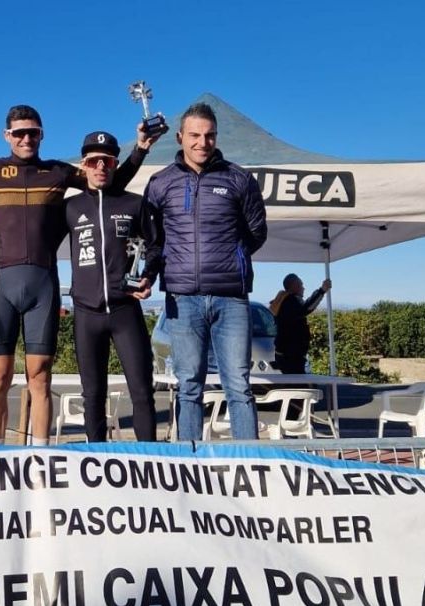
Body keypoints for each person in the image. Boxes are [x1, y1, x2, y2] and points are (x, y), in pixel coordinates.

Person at [0, 105, 160, 445]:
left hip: (44, 283)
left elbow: (106, 182)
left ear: (42, 134)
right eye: (19, 132)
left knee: (40, 376)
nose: (27, 138)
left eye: (34, 132)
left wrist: (140, 150)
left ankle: (41, 454)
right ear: (7, 135)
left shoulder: (58, 171)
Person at [143, 102, 267, 441]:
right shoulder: (160, 183)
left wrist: (232, 258)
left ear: (217, 137)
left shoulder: (239, 179)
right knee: (189, 386)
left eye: (209, 135)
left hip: (231, 298)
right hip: (182, 298)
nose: (202, 142)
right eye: (195, 135)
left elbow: (257, 232)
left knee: (239, 386)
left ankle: (247, 460)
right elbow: (153, 240)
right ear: (180, 137)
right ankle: (189, 461)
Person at [64, 131, 158, 442]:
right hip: (86, 312)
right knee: (92, 395)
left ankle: (149, 460)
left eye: (108, 161)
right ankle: (96, 458)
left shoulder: (134, 203)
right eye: (94, 161)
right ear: (84, 165)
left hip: (125, 310)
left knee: (142, 391)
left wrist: (149, 276)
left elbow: (156, 246)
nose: (101, 166)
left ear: (116, 164)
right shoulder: (70, 207)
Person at [271, 273, 331, 374]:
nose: (303, 288)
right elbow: (307, 307)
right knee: (297, 382)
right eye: (301, 285)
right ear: (294, 286)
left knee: (289, 381)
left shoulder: (282, 301)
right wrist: (322, 290)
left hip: (283, 353)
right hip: (291, 355)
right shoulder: (292, 301)